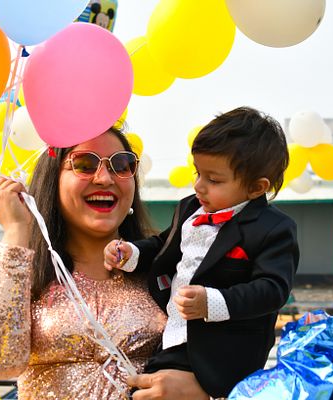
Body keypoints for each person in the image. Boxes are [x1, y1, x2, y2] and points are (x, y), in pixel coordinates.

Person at [0, 127, 210, 399]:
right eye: (84, 165)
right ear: (52, 180)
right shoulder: (25, 269)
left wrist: (202, 387)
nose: (104, 178)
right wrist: (16, 231)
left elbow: (229, 345)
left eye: (121, 165)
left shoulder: (168, 267)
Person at [104, 107, 300, 398]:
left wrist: (213, 302)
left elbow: (272, 289)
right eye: (198, 173)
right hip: (172, 337)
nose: (198, 186)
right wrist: (131, 253)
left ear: (256, 188)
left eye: (214, 180)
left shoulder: (273, 228)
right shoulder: (189, 208)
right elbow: (163, 245)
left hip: (224, 353)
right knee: (141, 389)